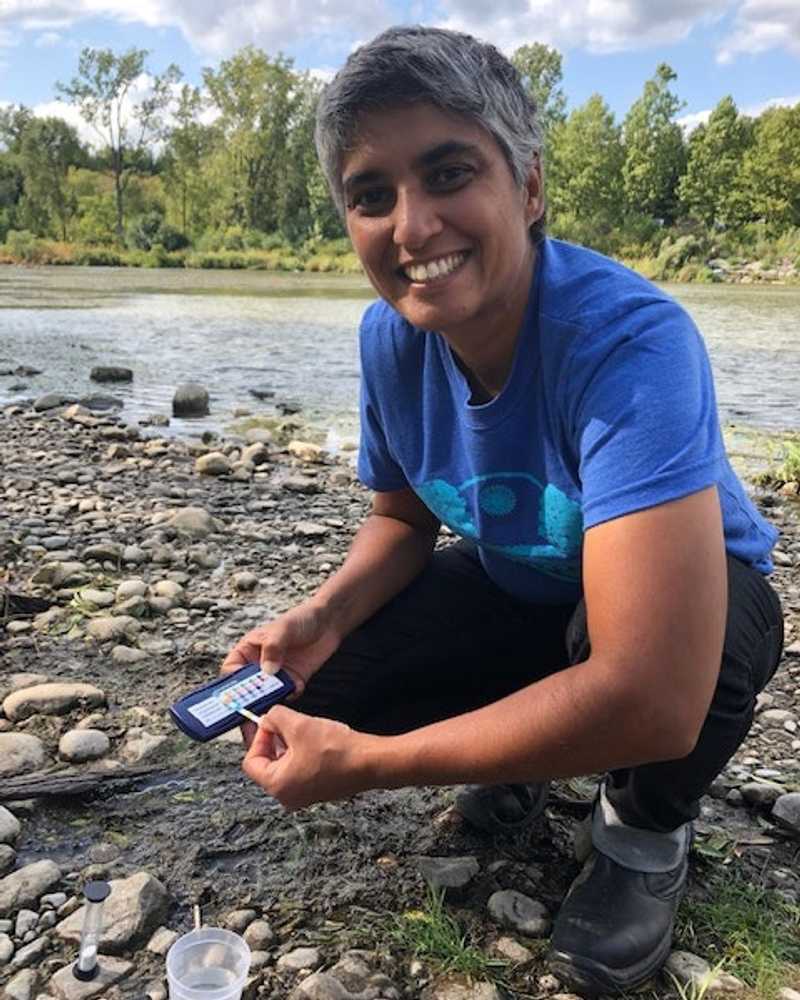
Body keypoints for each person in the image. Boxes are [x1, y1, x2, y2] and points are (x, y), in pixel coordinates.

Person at [220, 25, 784, 995]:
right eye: (370, 194)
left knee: (674, 676)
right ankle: (520, 747)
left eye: (447, 173)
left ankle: (642, 829)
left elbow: (649, 689)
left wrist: (374, 765)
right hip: (510, 584)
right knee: (317, 682)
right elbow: (402, 522)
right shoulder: (388, 339)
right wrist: (321, 615)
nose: (411, 225)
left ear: (526, 188)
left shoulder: (627, 341)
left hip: (682, 621)